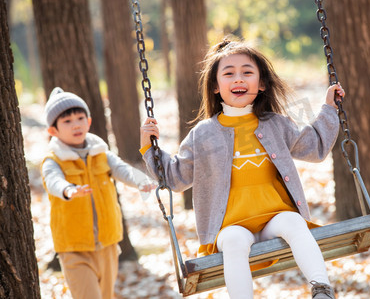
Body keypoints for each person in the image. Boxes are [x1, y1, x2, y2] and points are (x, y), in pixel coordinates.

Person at [140, 37, 344, 299]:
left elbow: (314, 147)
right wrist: (150, 149)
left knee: (294, 222)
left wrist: (329, 108)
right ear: (215, 86)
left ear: (261, 84)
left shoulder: (275, 124)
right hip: (231, 226)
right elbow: (175, 177)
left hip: (274, 218)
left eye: (247, 72)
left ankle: (321, 289)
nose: (238, 79)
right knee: (235, 242)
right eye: (229, 73)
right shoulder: (203, 135)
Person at [41, 87, 154, 299]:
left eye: (80, 118)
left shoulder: (100, 152)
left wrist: (141, 181)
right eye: (67, 121)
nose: (76, 124)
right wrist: (69, 190)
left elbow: (121, 169)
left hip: (108, 242)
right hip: (74, 248)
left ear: (89, 121)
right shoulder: (53, 160)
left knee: (106, 296)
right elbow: (52, 180)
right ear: (53, 131)